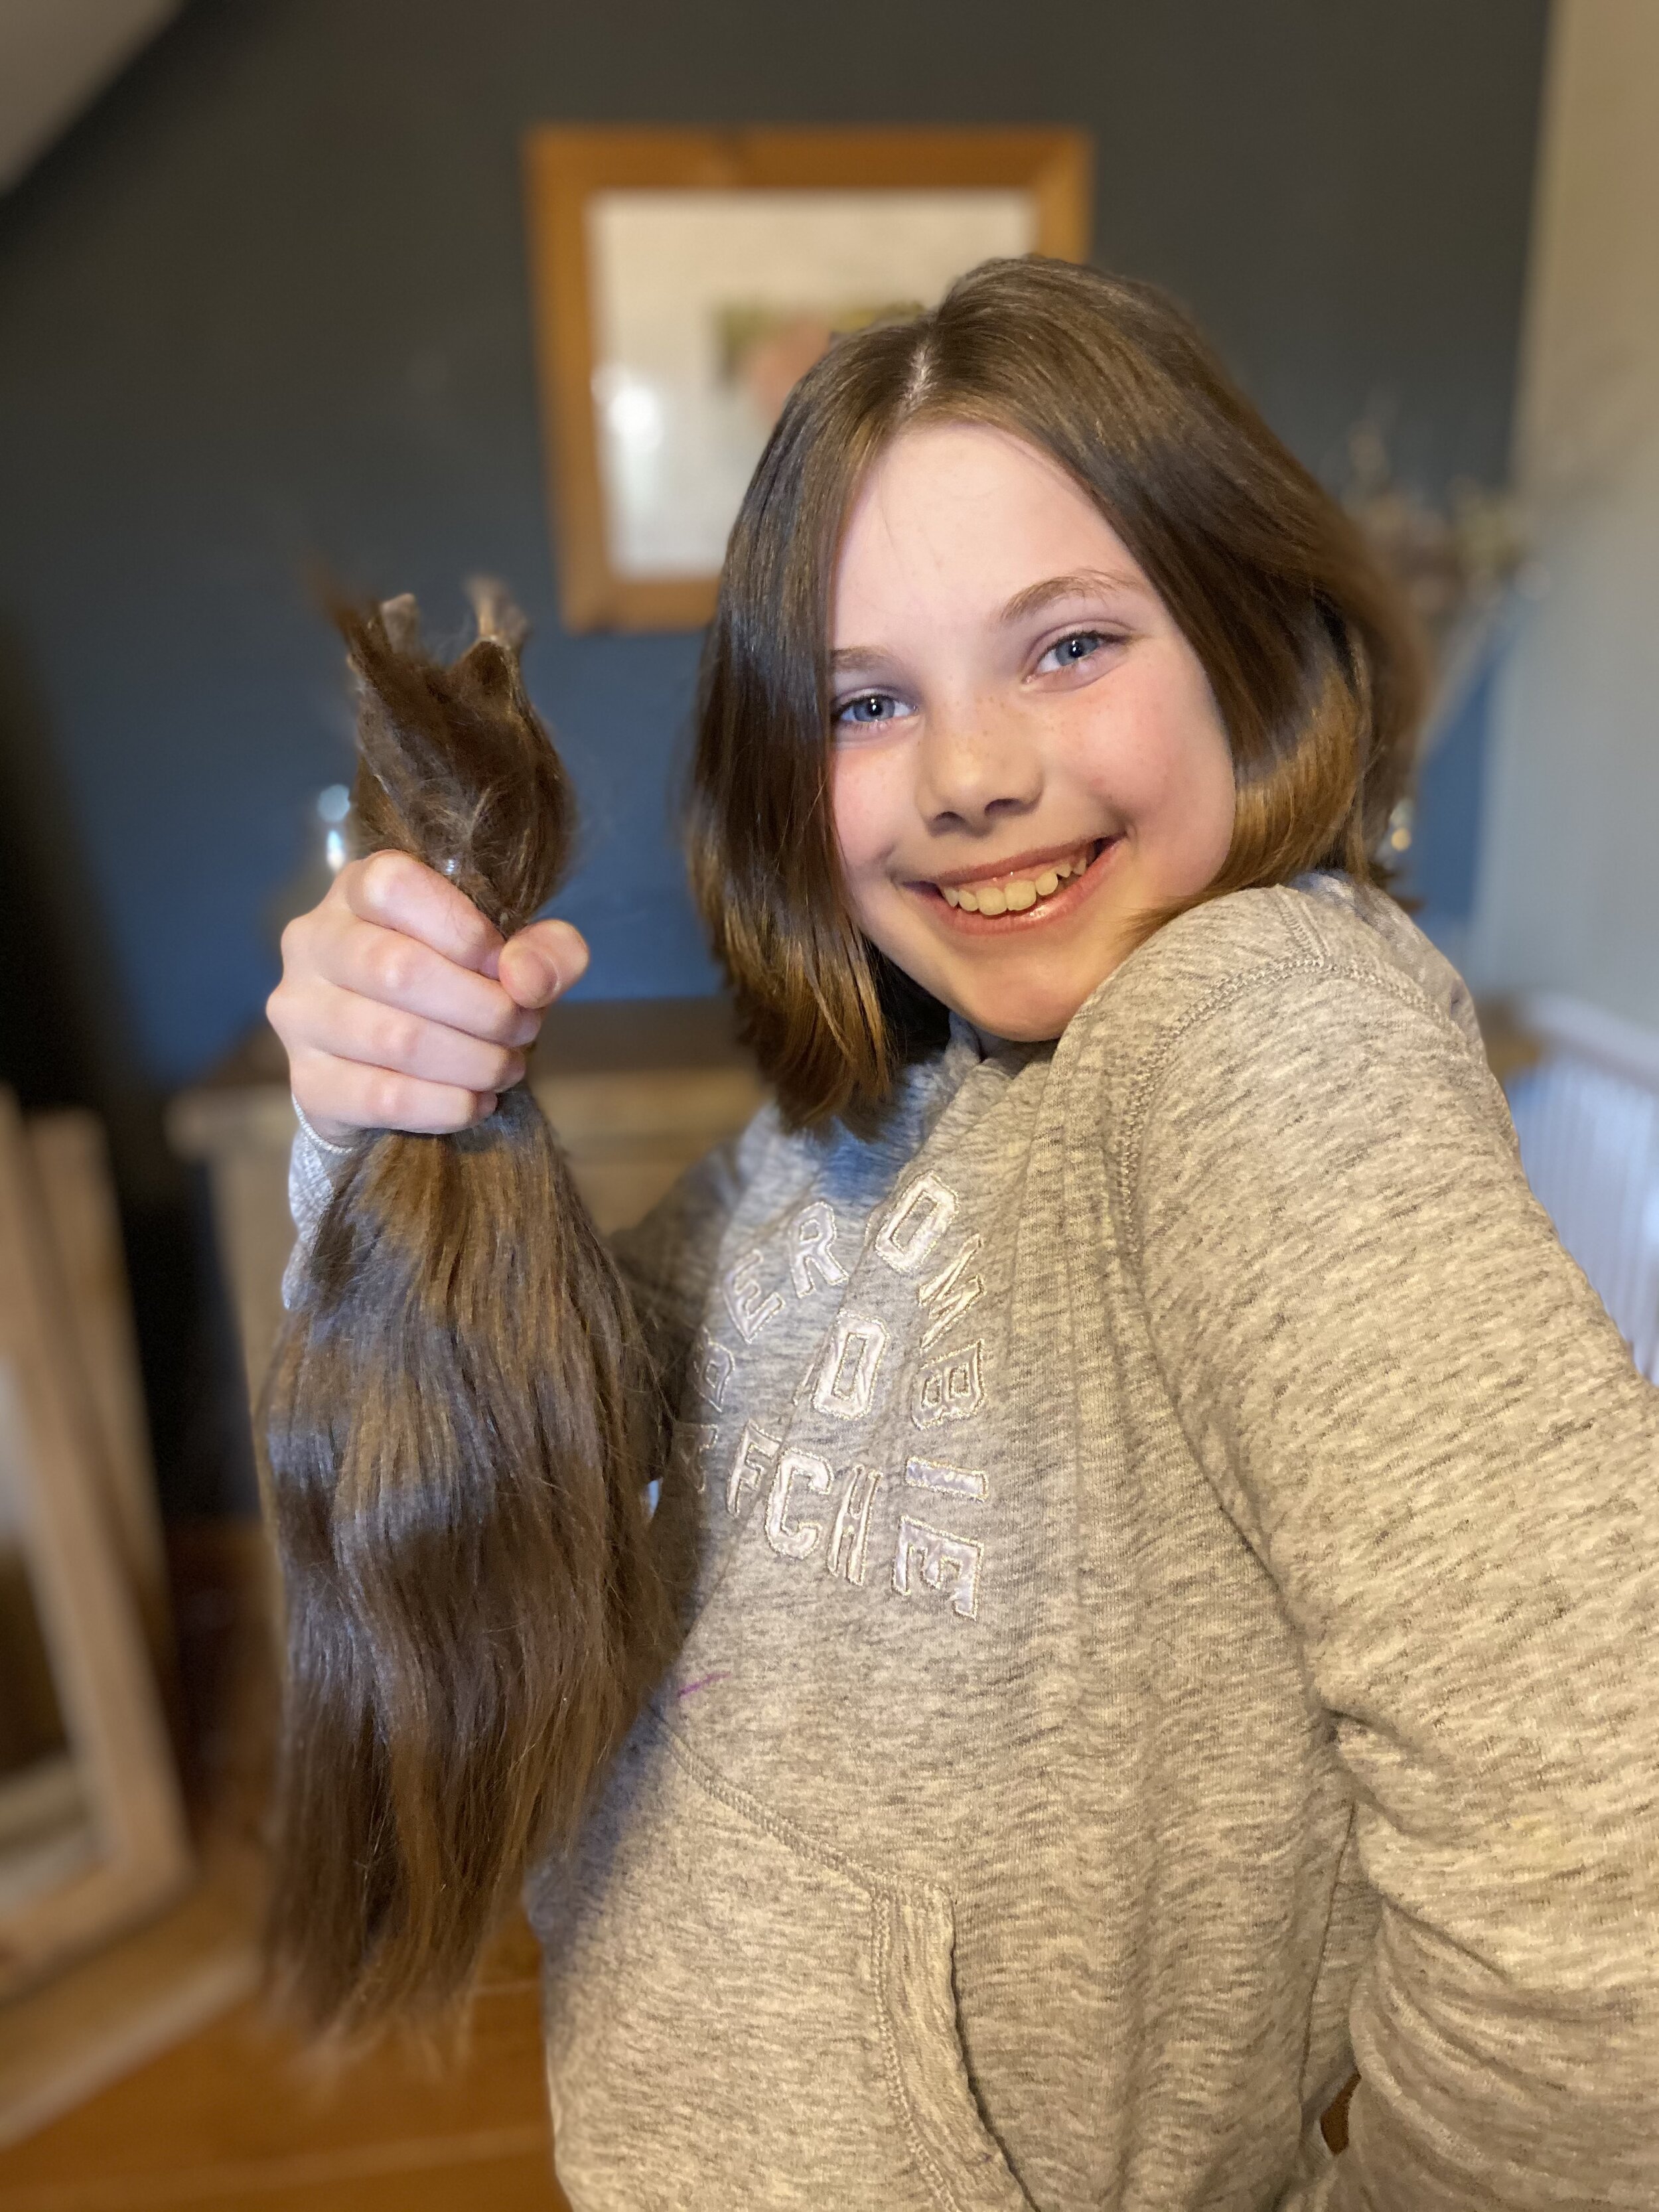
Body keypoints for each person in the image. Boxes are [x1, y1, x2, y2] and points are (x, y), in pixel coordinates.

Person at [266, 259, 1658, 2210]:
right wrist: (387, 1116)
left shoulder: (1258, 1030)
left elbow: (1608, 1875)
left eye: (1069, 645)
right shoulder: (906, 1090)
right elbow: (570, 1423)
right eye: (863, 699)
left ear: (1246, 645)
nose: (970, 771)